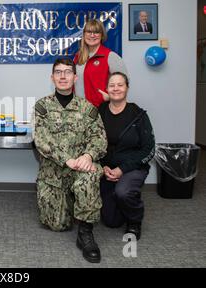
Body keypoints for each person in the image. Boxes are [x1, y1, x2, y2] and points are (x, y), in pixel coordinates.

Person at [34, 57, 107, 263]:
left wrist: (88, 156)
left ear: (75, 77)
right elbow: (41, 139)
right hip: (54, 172)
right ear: (52, 77)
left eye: (67, 72)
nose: (63, 76)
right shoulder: (43, 106)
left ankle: (85, 233)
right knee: (57, 225)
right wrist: (66, 159)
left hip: (81, 168)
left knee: (89, 178)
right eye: (58, 72)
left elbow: (99, 138)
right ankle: (70, 204)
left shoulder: (88, 108)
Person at [98, 72, 155, 240]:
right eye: (112, 85)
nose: (116, 88)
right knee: (111, 221)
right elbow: (91, 141)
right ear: (107, 89)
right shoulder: (99, 112)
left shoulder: (138, 114)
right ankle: (123, 201)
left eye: (120, 85)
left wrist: (122, 169)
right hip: (106, 169)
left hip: (132, 167)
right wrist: (102, 166)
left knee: (123, 192)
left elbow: (149, 148)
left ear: (127, 88)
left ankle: (135, 220)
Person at [74, 19, 128, 108]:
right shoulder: (78, 57)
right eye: (89, 32)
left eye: (96, 32)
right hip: (79, 109)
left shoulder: (110, 56)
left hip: (102, 109)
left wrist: (111, 97)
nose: (92, 35)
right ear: (84, 34)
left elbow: (124, 82)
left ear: (102, 35)